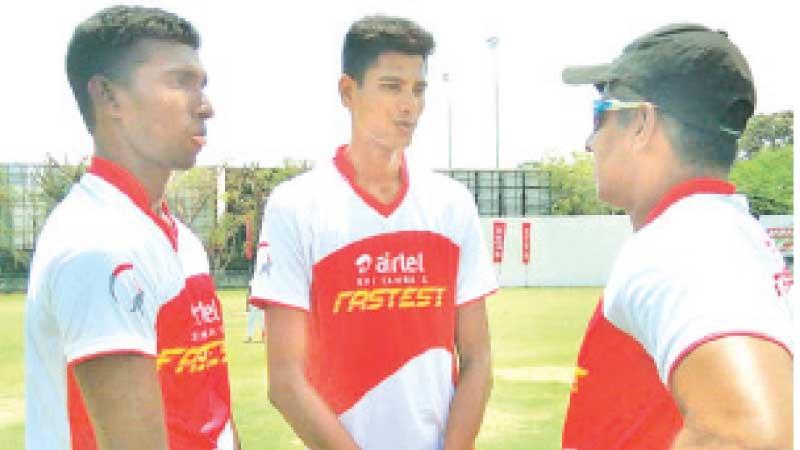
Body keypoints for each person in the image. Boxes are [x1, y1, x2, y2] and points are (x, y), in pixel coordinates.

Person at [249, 15, 498, 450]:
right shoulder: (297, 205)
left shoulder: (452, 204)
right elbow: (285, 380)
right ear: (348, 91)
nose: (409, 105)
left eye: (418, 89)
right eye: (391, 86)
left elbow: (477, 357)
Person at [560, 23, 793, 449]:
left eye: (601, 114)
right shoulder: (722, 231)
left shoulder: (682, 243)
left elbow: (751, 436)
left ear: (641, 123)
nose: (590, 141)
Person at [25, 6, 238, 450]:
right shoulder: (97, 244)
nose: (206, 106)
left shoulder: (178, 238)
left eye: (202, 84)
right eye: (180, 81)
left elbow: (213, 414)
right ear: (109, 96)